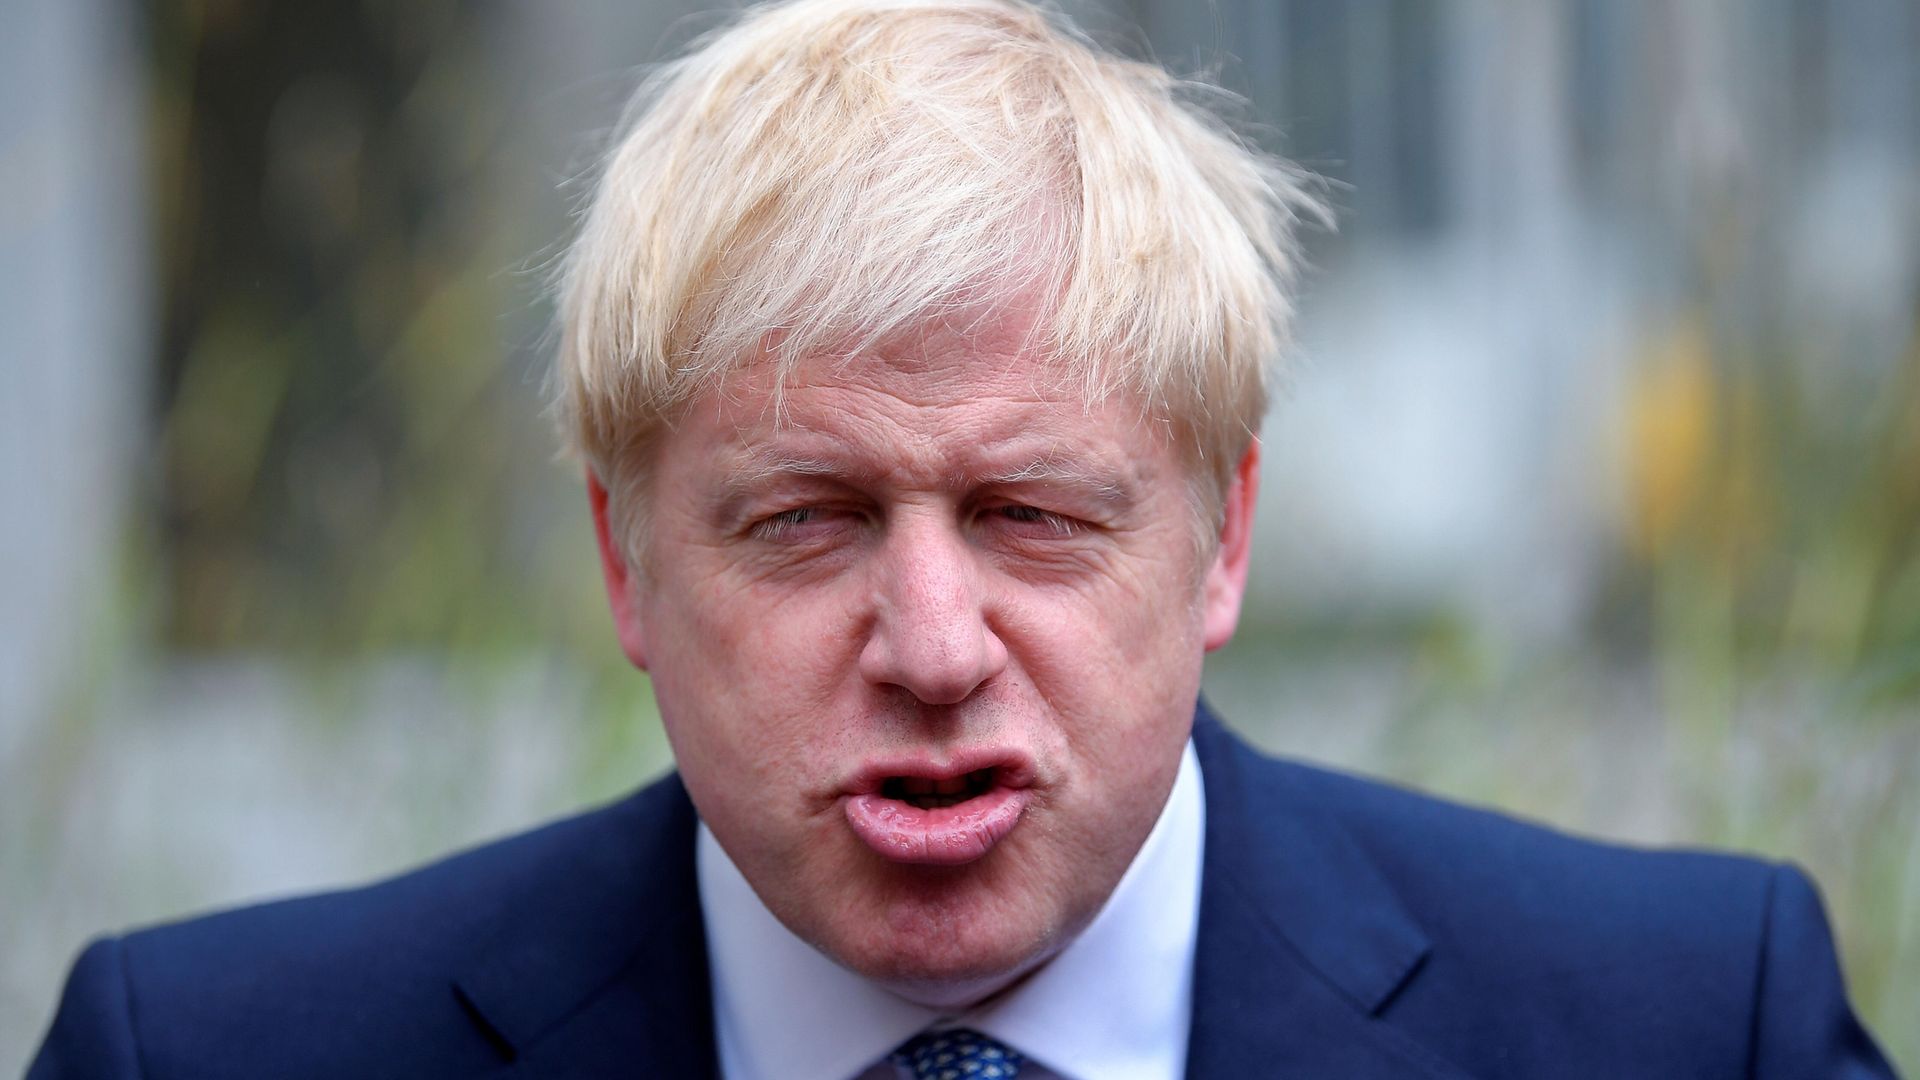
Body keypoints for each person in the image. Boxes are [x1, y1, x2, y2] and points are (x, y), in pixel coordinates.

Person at [29, 0, 1896, 1077]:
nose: (931, 643)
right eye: (803, 521)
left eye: (1033, 515)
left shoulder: (1678, 1029)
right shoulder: (204, 1061)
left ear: (1223, 536)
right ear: (622, 567)